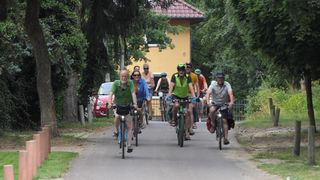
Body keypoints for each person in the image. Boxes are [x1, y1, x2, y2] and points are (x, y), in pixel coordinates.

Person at [109, 70, 138, 153]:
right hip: (117, 105)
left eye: (125, 76)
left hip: (127, 106)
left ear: (127, 77)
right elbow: (111, 93)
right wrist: (110, 103)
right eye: (122, 76)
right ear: (120, 77)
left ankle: (129, 145)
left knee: (130, 127)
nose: (124, 78)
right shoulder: (115, 83)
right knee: (117, 116)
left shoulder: (130, 83)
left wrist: (135, 104)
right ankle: (117, 131)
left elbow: (133, 94)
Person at [167, 64, 197, 140]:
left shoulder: (187, 77)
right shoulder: (174, 76)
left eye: (182, 70)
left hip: (185, 96)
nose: (181, 71)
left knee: (187, 113)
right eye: (179, 70)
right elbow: (171, 87)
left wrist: (194, 97)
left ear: (184, 71)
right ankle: (174, 119)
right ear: (177, 71)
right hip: (176, 95)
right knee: (176, 105)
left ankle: (186, 132)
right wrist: (169, 96)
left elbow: (191, 87)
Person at [206, 72, 234, 145]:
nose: (220, 79)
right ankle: (213, 124)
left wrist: (231, 102)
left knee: (224, 121)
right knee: (212, 110)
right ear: (216, 79)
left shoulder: (227, 84)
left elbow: (230, 93)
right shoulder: (213, 84)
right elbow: (208, 93)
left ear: (224, 78)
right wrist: (208, 102)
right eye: (219, 78)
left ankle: (225, 138)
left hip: (223, 104)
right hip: (215, 103)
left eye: (222, 78)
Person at [185, 63, 199, 130]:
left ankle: (193, 123)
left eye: (189, 67)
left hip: (191, 94)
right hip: (182, 94)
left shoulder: (194, 76)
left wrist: (197, 95)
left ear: (191, 68)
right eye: (187, 67)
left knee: (192, 109)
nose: (188, 68)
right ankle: (174, 120)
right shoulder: (182, 75)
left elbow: (197, 86)